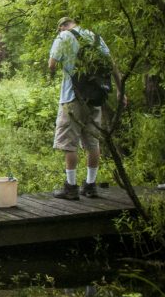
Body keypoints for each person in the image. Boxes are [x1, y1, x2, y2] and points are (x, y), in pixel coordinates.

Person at [48, 17, 117, 200]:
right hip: (95, 97)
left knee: (69, 143)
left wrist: (60, 67)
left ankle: (71, 187)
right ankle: (90, 186)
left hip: (72, 98)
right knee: (92, 143)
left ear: (62, 27)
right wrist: (121, 92)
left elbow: (52, 64)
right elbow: (112, 64)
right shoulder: (95, 37)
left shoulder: (64, 37)